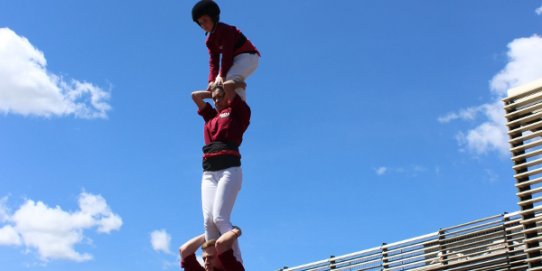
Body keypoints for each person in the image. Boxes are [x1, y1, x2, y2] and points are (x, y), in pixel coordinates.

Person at [191, 82, 250, 263]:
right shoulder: (211, 117)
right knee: (208, 222)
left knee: (220, 217)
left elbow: (232, 84)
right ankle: (214, 264)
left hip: (229, 169)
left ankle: (236, 262)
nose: (217, 101)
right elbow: (195, 96)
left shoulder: (237, 111)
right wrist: (215, 93)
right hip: (209, 172)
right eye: (215, 99)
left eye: (220, 98)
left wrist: (221, 86)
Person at [192, 0, 260, 101]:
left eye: (205, 20)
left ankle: (238, 109)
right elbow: (213, 62)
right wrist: (211, 80)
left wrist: (222, 75)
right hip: (234, 60)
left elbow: (226, 55)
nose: (203, 25)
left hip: (248, 56)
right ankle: (223, 109)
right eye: (200, 23)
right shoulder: (209, 41)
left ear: (213, 17)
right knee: (217, 83)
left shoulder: (226, 30)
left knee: (229, 79)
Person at [180, 227, 244, 271]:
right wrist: (208, 233)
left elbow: (221, 244)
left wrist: (237, 230)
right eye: (204, 259)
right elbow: (184, 251)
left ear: (221, 257)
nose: (206, 262)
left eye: (210, 257)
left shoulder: (232, 269)